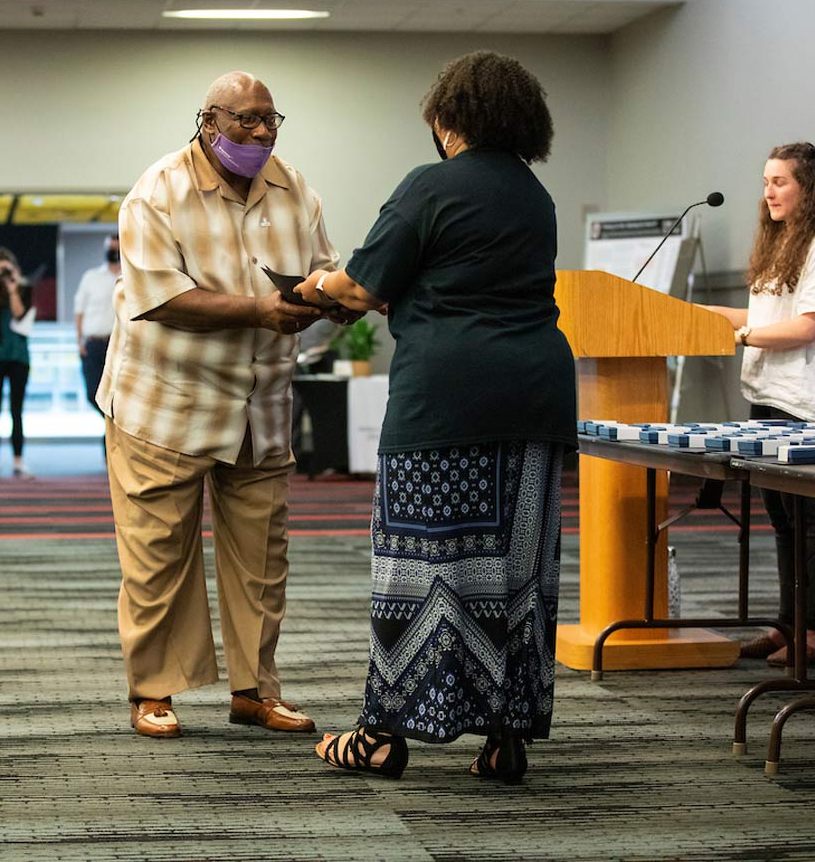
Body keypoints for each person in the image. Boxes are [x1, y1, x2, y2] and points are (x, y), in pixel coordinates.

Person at [295, 50, 577, 781]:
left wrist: (315, 283)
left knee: (419, 566)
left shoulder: (430, 185)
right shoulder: (535, 196)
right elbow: (468, 281)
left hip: (445, 401)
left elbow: (358, 286)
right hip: (535, 399)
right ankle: (504, 737)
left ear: (449, 122)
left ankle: (382, 734)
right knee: (516, 571)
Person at [98, 70, 357, 739]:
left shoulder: (294, 188)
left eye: (271, 119)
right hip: (165, 404)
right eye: (246, 120)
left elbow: (323, 265)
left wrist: (329, 298)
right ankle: (153, 690)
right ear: (208, 120)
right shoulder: (157, 192)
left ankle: (254, 691)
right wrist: (259, 310)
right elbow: (160, 297)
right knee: (158, 557)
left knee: (262, 562)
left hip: (261, 407)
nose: (262, 132)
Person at [704, 142, 815, 667]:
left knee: (810, 519)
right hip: (770, 394)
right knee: (781, 516)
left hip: (810, 402)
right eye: (766, 181)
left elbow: (804, 326)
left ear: (807, 188)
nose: (768, 191)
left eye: (780, 182)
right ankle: (789, 622)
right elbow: (764, 314)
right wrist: (702, 315)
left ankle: (814, 635)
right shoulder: (780, 242)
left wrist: (743, 336)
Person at [0, 246, 33, 480]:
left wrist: (13, 289)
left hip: (18, 355)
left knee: (16, 410)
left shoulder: (23, 288)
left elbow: (20, 313)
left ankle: (18, 460)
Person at [73, 234, 120, 413]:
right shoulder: (91, 277)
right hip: (93, 344)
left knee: (117, 395)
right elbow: (79, 311)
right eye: (110, 249)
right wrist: (79, 341)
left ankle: (111, 436)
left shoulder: (129, 277)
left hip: (118, 345)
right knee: (93, 393)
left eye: (116, 249)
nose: (113, 253)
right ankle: (113, 426)